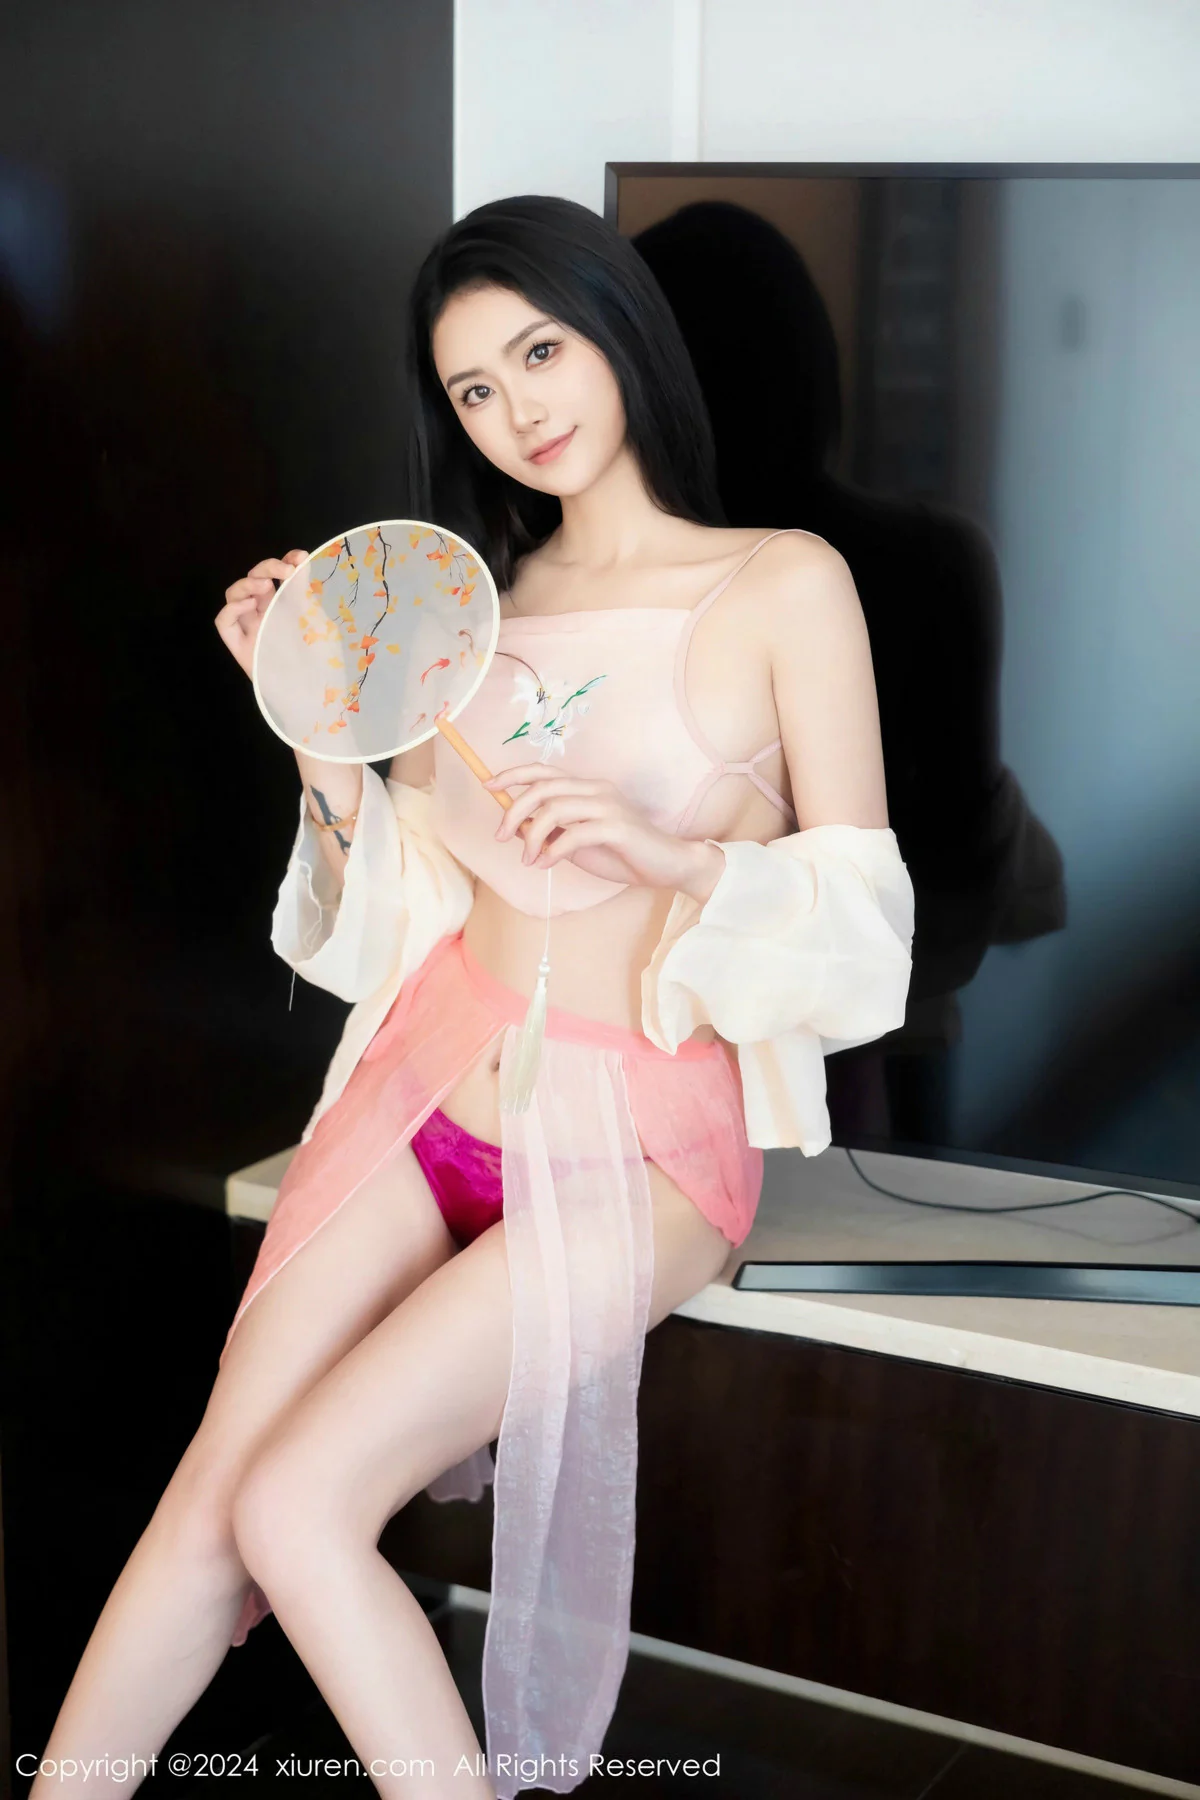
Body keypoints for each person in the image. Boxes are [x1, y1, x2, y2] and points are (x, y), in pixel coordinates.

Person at [30, 195, 914, 1800]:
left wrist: (673, 854)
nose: (520, 411)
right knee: (213, 1501)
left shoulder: (786, 584)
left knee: (300, 1508)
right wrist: (316, 730)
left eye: (541, 352)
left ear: (620, 332)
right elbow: (389, 926)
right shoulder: (466, 608)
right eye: (475, 390)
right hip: (427, 1084)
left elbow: (867, 934)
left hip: (638, 1143)